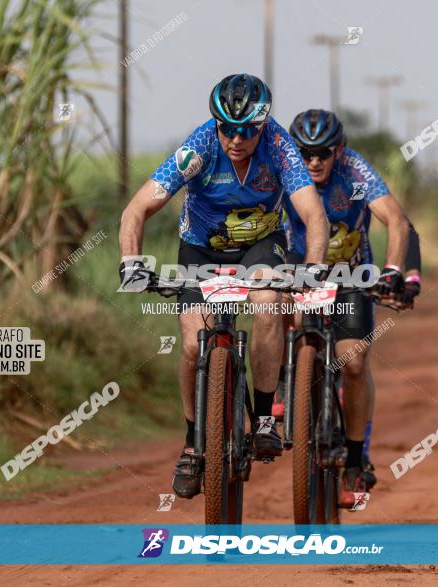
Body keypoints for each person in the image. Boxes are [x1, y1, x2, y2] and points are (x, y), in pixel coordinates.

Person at [118, 74, 330, 499]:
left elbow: (315, 217)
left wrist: (313, 268)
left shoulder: (280, 148)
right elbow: (137, 208)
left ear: (263, 125)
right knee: (195, 344)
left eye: (247, 131)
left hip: (261, 245)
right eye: (227, 128)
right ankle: (194, 441)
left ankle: (266, 416)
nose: (236, 139)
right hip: (201, 249)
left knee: (268, 301)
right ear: (215, 124)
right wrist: (130, 262)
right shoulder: (199, 146)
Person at [281, 109, 418, 507]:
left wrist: (392, 271)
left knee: (354, 364)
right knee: (272, 310)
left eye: (322, 152)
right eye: (305, 153)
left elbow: (396, 220)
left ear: (338, 150)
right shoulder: (281, 172)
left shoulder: (355, 170)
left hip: (351, 277)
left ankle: (356, 458)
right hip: (298, 273)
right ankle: (286, 387)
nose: (314, 162)